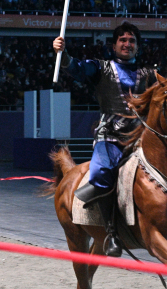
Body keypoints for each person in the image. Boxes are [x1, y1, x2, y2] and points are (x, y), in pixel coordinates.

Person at [53, 22, 158, 257]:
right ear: (114, 45)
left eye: (132, 41)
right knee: (101, 174)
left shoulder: (149, 75)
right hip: (110, 138)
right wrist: (64, 54)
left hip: (141, 139)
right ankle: (111, 232)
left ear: (138, 48)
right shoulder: (100, 67)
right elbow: (77, 69)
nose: (127, 44)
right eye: (123, 40)